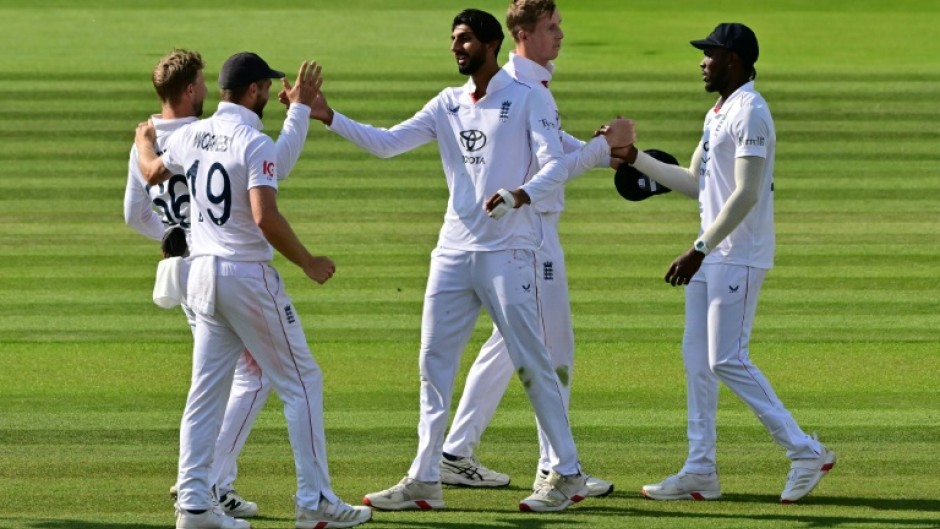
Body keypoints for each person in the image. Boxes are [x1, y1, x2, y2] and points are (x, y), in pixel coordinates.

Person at [306, 9, 631, 513]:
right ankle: (424, 477)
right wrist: (328, 117)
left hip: (509, 252)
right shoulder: (447, 103)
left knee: (531, 362)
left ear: (492, 43)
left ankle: (566, 474)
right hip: (453, 252)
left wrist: (519, 195)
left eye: (464, 40)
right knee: (433, 365)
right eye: (453, 40)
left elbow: (553, 167)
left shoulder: (528, 99)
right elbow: (389, 143)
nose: (456, 48)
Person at [135, 51, 372, 529]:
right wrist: (308, 262)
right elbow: (265, 216)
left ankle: (196, 507)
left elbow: (152, 173)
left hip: (201, 278)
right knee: (303, 382)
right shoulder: (253, 141)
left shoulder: (193, 135)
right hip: (246, 277)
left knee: (204, 395)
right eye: (265, 87)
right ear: (253, 92)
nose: (269, 92)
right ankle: (316, 503)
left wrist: (143, 142)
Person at [611, 23, 836, 503]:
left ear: (733, 60)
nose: (702, 62)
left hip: (737, 254)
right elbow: (695, 182)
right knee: (698, 363)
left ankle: (805, 450)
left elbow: (747, 194)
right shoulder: (718, 113)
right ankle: (700, 470)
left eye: (709, 54)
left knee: (726, 358)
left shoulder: (751, 112)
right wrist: (636, 159)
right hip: (714, 254)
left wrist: (699, 249)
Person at [124, 48, 308, 519]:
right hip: (218, 269)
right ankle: (210, 482)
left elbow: (134, 214)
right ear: (189, 90)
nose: (206, 91)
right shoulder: (203, 134)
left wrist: (170, 234)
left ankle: (205, 482)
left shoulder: (145, 139)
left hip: (184, 270)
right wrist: (299, 114)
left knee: (224, 380)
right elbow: (272, 174)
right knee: (255, 374)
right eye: (201, 84)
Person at [440, 0, 614, 498]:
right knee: (551, 349)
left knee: (509, 345)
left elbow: (556, 145)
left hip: (524, 230)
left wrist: (604, 151)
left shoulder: (531, 82)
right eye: (552, 28)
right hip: (527, 232)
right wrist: (603, 151)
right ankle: (554, 467)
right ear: (524, 34)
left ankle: (456, 452)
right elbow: (550, 164)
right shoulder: (521, 87)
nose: (561, 35)